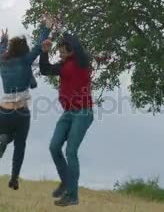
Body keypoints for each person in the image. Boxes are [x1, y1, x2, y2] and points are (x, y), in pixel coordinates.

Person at [0, 18, 51, 190]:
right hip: (21, 112)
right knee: (20, 145)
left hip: (4, 110)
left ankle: (4, 140)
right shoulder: (25, 60)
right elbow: (39, 45)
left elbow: (1, 50)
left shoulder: (1, 62)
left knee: (6, 135)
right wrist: (46, 28)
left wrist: (4, 40)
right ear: (23, 51)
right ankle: (14, 178)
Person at [40, 31, 94, 207]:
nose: (60, 53)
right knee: (54, 146)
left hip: (83, 113)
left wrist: (68, 38)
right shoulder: (63, 66)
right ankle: (66, 181)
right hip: (68, 113)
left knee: (71, 151)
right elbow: (44, 69)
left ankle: (72, 195)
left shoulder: (82, 62)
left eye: (62, 50)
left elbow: (78, 50)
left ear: (72, 50)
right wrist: (44, 51)